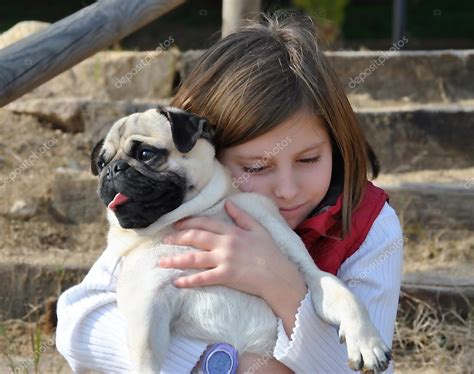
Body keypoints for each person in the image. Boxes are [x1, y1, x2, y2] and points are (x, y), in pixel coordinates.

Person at [56, 10, 403, 373]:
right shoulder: (166, 216)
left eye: (309, 159)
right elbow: (77, 324)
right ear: (209, 154)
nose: (286, 190)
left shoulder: (371, 228)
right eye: (256, 167)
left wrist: (280, 285)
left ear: (335, 145)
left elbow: (371, 366)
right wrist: (215, 364)